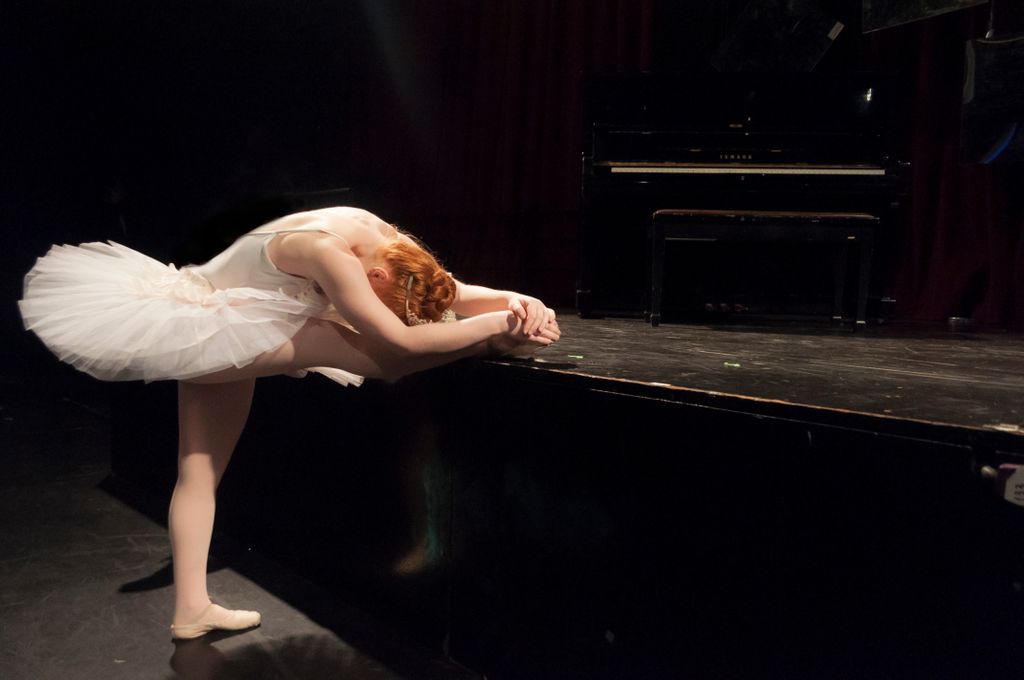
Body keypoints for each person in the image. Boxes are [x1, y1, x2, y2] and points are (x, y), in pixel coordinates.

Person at [18, 206, 560, 639]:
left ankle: (191, 611)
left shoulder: (386, 239)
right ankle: (496, 342)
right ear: (375, 274)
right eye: (380, 298)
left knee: (199, 471)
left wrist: (522, 300)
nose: (372, 306)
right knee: (387, 360)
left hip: (216, 316)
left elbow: (452, 292)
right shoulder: (329, 251)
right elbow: (399, 342)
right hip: (217, 320)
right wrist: (496, 328)